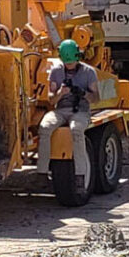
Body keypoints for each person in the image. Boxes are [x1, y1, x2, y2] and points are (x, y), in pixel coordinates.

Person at [37, 39, 100, 183]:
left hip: (80, 111)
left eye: (71, 63)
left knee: (76, 130)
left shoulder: (88, 72)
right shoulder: (56, 71)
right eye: (67, 63)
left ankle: (80, 175)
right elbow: (51, 99)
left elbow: (96, 98)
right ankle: (41, 172)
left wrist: (82, 93)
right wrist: (60, 93)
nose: (69, 65)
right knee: (44, 128)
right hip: (61, 109)